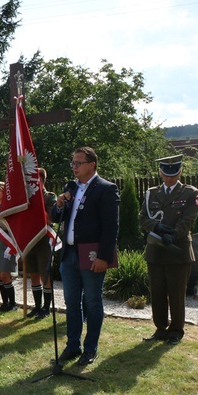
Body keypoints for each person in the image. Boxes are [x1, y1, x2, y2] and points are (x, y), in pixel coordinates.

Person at [52, 146, 120, 366]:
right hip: (69, 253)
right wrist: (59, 204)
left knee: (92, 302)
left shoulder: (106, 189)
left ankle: (90, 349)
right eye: (72, 163)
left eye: (78, 163)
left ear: (92, 165)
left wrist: (103, 256)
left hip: (91, 255)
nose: (74, 167)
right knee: (71, 303)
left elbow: (111, 227)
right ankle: (73, 346)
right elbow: (55, 216)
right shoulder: (70, 188)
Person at [139, 155, 198, 345]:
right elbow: (143, 218)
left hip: (177, 250)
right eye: (166, 174)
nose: (169, 178)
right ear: (160, 172)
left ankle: (175, 331)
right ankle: (160, 328)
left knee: (176, 292)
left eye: (173, 174)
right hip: (156, 250)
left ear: (180, 172)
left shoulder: (190, 193)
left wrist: (173, 235)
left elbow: (188, 220)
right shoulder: (151, 193)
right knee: (157, 292)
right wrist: (155, 227)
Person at [22, 168, 57, 318]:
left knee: (45, 275)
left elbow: (51, 217)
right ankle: (36, 306)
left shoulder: (49, 197)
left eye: (35, 179)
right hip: (30, 240)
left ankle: (46, 308)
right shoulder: (26, 197)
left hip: (44, 239)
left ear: (42, 180)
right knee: (34, 274)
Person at [0, 181, 18, 312]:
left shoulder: (9, 207)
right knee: (0, 274)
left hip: (8, 241)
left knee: (6, 274)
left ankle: (12, 304)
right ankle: (4, 303)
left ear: (4, 192)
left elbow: (15, 227)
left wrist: (12, 245)